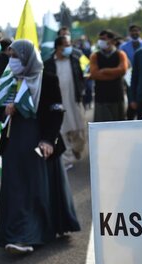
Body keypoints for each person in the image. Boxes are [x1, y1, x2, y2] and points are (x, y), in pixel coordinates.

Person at [0, 39, 80, 254]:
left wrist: (48, 140)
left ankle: (29, 236)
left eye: (16, 56)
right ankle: (14, 235)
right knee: (15, 188)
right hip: (14, 143)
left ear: (27, 57)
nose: (11, 61)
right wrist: (5, 110)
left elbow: (55, 112)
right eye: (10, 56)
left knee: (35, 187)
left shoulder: (47, 79)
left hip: (39, 141)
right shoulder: (9, 81)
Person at [44, 36, 86, 167]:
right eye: (66, 45)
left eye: (69, 44)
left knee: (80, 131)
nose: (69, 47)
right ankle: (66, 160)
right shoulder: (49, 63)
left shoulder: (75, 60)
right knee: (61, 131)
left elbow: (81, 77)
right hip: (58, 103)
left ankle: (77, 149)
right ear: (58, 47)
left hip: (74, 100)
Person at [89, 30, 128, 122]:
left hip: (117, 96)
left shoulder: (120, 54)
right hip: (101, 97)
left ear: (113, 41)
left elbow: (122, 70)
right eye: (100, 39)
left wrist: (104, 71)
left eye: (104, 39)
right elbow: (94, 74)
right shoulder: (95, 56)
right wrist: (114, 74)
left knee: (118, 124)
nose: (101, 41)